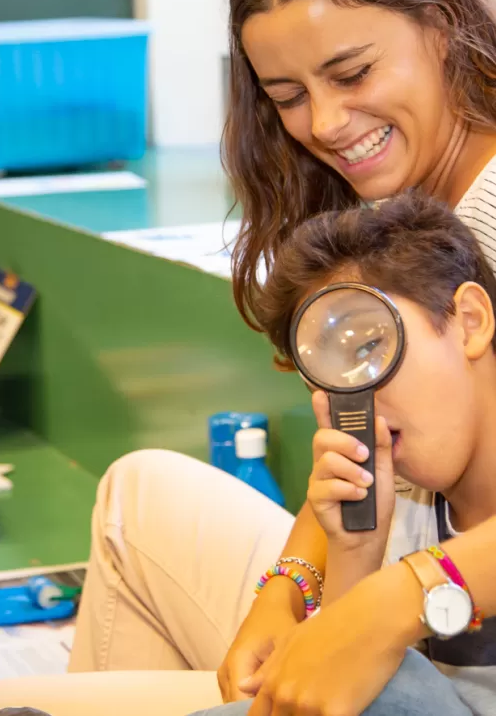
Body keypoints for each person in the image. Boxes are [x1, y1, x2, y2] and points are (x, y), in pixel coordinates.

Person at [0, 0, 496, 716]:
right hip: (418, 608)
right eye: (289, 96)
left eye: (353, 72)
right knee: (139, 491)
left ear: (442, 20)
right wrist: (290, 586)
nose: (329, 123)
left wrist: (401, 595)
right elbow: (358, 459)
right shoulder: (397, 207)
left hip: (442, 639)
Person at [191, 191, 496, 715]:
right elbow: (330, 691)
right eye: (327, 369)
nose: (355, 393)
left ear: (469, 320)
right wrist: (355, 553)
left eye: (371, 348)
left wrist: (393, 599)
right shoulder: (405, 499)